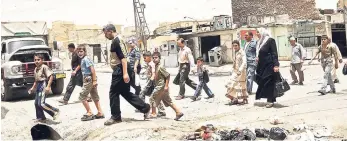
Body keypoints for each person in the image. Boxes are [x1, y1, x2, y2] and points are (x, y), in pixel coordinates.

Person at [102, 24, 150, 126]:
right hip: (123, 68)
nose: (105, 35)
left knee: (113, 93)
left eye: (106, 33)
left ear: (110, 31)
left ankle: (115, 117)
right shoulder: (119, 39)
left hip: (120, 69)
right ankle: (145, 107)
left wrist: (124, 73)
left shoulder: (116, 41)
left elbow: (123, 58)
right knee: (125, 92)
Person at [146, 52, 184, 120]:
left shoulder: (160, 67)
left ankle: (153, 113)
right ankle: (178, 112)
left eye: (156, 57)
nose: (154, 59)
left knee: (152, 98)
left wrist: (166, 86)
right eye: (153, 58)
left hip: (161, 86)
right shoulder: (156, 66)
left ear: (159, 58)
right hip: (160, 86)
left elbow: (167, 75)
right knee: (168, 100)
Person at [29, 54, 60, 122]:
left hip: (43, 84)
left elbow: (51, 76)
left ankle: (55, 111)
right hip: (38, 86)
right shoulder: (36, 69)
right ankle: (41, 117)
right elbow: (36, 80)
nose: (37, 61)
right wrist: (32, 88)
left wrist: (48, 87)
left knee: (42, 103)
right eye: (35, 60)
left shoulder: (44, 67)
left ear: (42, 60)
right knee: (37, 103)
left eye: (38, 60)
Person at [76, 44, 104, 121]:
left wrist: (94, 81)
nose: (79, 53)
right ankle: (100, 112)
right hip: (88, 78)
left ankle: (89, 112)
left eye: (81, 51)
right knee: (94, 96)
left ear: (85, 52)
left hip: (89, 79)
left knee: (82, 96)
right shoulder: (83, 59)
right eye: (78, 52)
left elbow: (92, 70)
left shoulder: (86, 59)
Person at [255, 28, 280, 108]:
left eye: (258, 32)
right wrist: (257, 57)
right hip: (262, 66)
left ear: (263, 32)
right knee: (262, 81)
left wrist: (276, 65)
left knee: (269, 82)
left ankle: (270, 100)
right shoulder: (259, 42)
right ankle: (269, 98)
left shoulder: (270, 40)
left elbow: (274, 53)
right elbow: (260, 52)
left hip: (270, 65)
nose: (257, 34)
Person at [138, 51, 167, 117]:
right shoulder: (149, 63)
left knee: (143, 94)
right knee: (154, 97)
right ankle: (161, 111)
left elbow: (154, 73)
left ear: (149, 57)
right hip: (152, 82)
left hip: (152, 82)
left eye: (145, 58)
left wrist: (150, 82)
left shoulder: (152, 64)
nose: (144, 59)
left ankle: (144, 109)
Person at [225, 40, 248, 105]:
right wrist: (232, 69)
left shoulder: (242, 52)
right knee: (231, 84)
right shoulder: (235, 52)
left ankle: (244, 99)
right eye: (233, 46)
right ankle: (234, 98)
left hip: (241, 71)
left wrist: (240, 70)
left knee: (242, 85)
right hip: (235, 71)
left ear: (239, 45)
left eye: (236, 45)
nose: (235, 47)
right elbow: (234, 62)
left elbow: (244, 62)